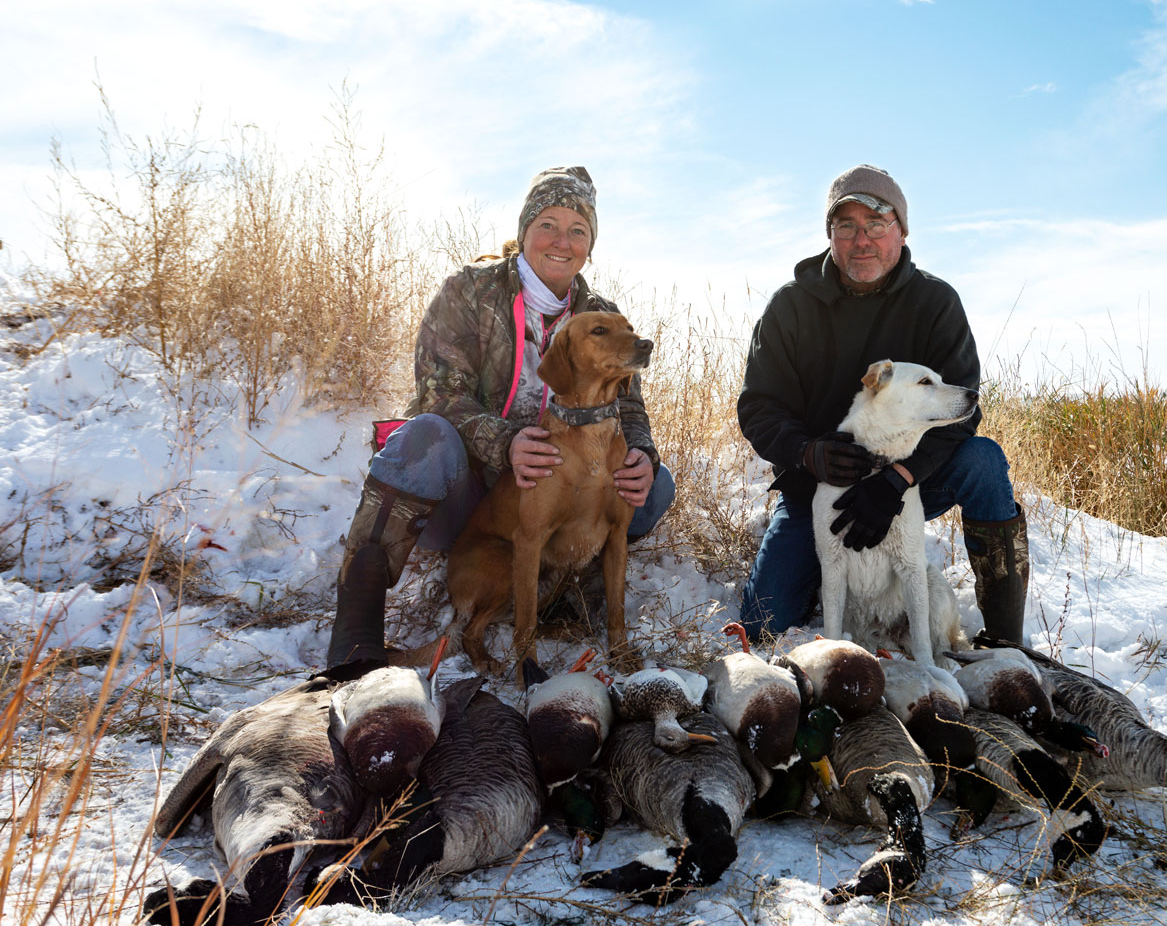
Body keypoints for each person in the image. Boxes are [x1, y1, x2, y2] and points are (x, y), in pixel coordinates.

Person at [328, 166, 675, 667]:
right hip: (468, 493)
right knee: (424, 436)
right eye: (548, 225)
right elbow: (435, 395)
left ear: (590, 245)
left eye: (578, 230)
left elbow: (630, 404)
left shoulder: (601, 314)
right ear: (524, 232)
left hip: (560, 486)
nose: (562, 241)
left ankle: (564, 584)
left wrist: (641, 452)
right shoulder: (469, 292)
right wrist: (505, 443)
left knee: (655, 485)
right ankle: (357, 623)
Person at [736, 164, 1027, 644]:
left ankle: (1004, 638)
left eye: (876, 224)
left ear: (902, 230)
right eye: (846, 226)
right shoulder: (791, 307)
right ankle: (829, 581)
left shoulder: (935, 303)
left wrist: (898, 479)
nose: (861, 240)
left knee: (984, 462)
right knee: (761, 626)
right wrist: (808, 453)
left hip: (908, 484)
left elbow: (962, 411)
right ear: (830, 235)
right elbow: (758, 407)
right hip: (820, 487)